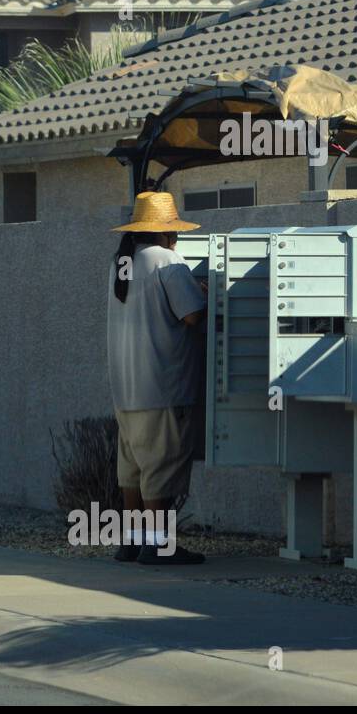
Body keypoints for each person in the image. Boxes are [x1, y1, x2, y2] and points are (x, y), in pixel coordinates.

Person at [107, 191, 207, 565]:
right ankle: (159, 546)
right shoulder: (167, 261)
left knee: (132, 471)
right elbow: (193, 316)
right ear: (166, 233)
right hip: (164, 387)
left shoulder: (121, 262)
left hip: (126, 389)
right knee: (161, 471)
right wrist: (205, 292)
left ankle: (131, 542)